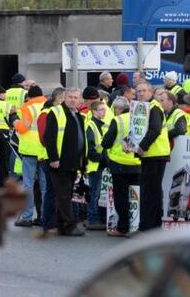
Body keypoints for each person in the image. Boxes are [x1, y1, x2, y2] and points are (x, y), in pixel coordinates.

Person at [42, 88, 87, 236]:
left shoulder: (78, 114)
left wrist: (82, 161)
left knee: (66, 193)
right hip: (60, 161)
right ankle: (69, 225)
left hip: (73, 161)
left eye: (76, 97)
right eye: (70, 97)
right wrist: (53, 158)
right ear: (64, 98)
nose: (73, 100)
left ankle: (62, 225)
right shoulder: (56, 112)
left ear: (79, 100)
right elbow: (50, 136)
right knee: (63, 194)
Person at [100, 97, 140, 237]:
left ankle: (122, 227)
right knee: (137, 197)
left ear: (117, 109)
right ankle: (137, 226)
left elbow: (107, 142)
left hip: (119, 164)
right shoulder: (139, 119)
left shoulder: (118, 120)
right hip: (137, 163)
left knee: (121, 197)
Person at [134, 83, 170, 232]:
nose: (141, 94)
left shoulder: (154, 108)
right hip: (153, 155)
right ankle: (153, 227)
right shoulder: (146, 107)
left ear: (151, 92)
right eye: (138, 91)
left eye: (144, 91)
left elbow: (154, 130)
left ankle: (146, 228)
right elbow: (138, 129)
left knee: (149, 194)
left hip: (155, 155)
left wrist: (142, 147)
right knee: (152, 193)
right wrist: (128, 142)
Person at [13, 85, 48, 227]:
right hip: (44, 151)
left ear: (30, 97)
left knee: (28, 184)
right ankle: (45, 216)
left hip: (29, 151)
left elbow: (22, 128)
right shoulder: (48, 106)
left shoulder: (28, 108)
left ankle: (27, 217)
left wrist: (14, 119)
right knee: (45, 186)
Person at [35, 87, 66, 235]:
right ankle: (48, 223)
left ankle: (54, 222)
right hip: (48, 157)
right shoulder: (46, 113)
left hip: (56, 157)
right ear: (58, 99)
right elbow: (44, 137)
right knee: (51, 191)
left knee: (55, 191)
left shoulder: (57, 112)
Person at [84, 100, 109, 230]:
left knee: (96, 193)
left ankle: (93, 218)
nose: (104, 112)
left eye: (104, 109)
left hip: (99, 164)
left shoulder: (100, 125)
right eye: (101, 110)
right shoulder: (92, 125)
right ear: (94, 112)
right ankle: (92, 219)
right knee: (94, 194)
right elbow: (91, 149)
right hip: (95, 165)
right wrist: (103, 160)